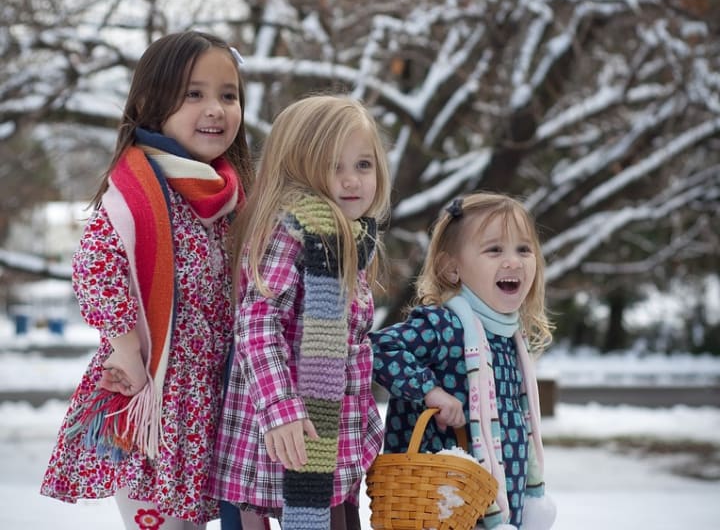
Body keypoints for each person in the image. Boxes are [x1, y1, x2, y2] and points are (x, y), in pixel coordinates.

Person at [40, 30, 254, 529]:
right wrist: (124, 348)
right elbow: (96, 267)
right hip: (153, 395)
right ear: (153, 105)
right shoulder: (136, 192)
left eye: (228, 95)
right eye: (194, 94)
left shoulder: (233, 198)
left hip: (214, 396)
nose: (216, 109)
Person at [207, 94, 392, 530]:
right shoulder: (293, 232)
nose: (351, 180)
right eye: (334, 166)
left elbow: (349, 344)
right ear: (299, 168)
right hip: (286, 440)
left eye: (363, 165)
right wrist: (281, 407)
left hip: (329, 440)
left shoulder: (347, 239)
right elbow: (257, 323)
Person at [371, 192, 557, 530]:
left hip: (504, 501)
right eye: (494, 250)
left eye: (524, 249)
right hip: (443, 505)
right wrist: (430, 391)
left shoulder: (511, 339)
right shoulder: (445, 325)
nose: (513, 261)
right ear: (451, 267)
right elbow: (381, 348)